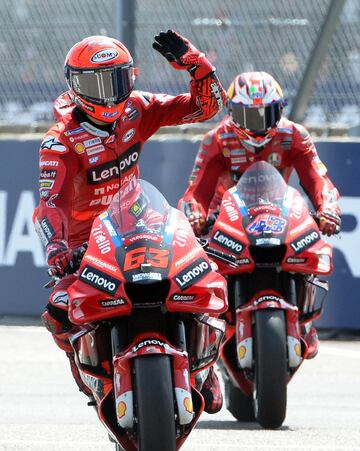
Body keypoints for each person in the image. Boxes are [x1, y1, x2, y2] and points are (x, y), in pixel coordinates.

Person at [33, 31, 226, 412]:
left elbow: (207, 109)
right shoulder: (60, 143)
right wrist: (57, 248)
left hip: (140, 224)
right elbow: (49, 204)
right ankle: (88, 371)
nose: (107, 95)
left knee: (206, 277)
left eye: (116, 81)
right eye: (95, 83)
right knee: (58, 310)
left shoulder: (139, 109)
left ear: (132, 77)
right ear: (73, 86)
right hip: (87, 247)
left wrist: (196, 64)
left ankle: (205, 367)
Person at [179, 71, 341, 359]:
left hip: (279, 214)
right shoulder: (218, 138)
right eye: (249, 114)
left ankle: (305, 322)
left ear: (280, 110)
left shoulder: (293, 135)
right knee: (201, 274)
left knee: (312, 249)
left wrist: (327, 208)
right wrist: (196, 216)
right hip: (227, 222)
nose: (258, 123)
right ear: (232, 112)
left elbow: (318, 180)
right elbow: (196, 191)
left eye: (267, 113)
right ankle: (211, 341)